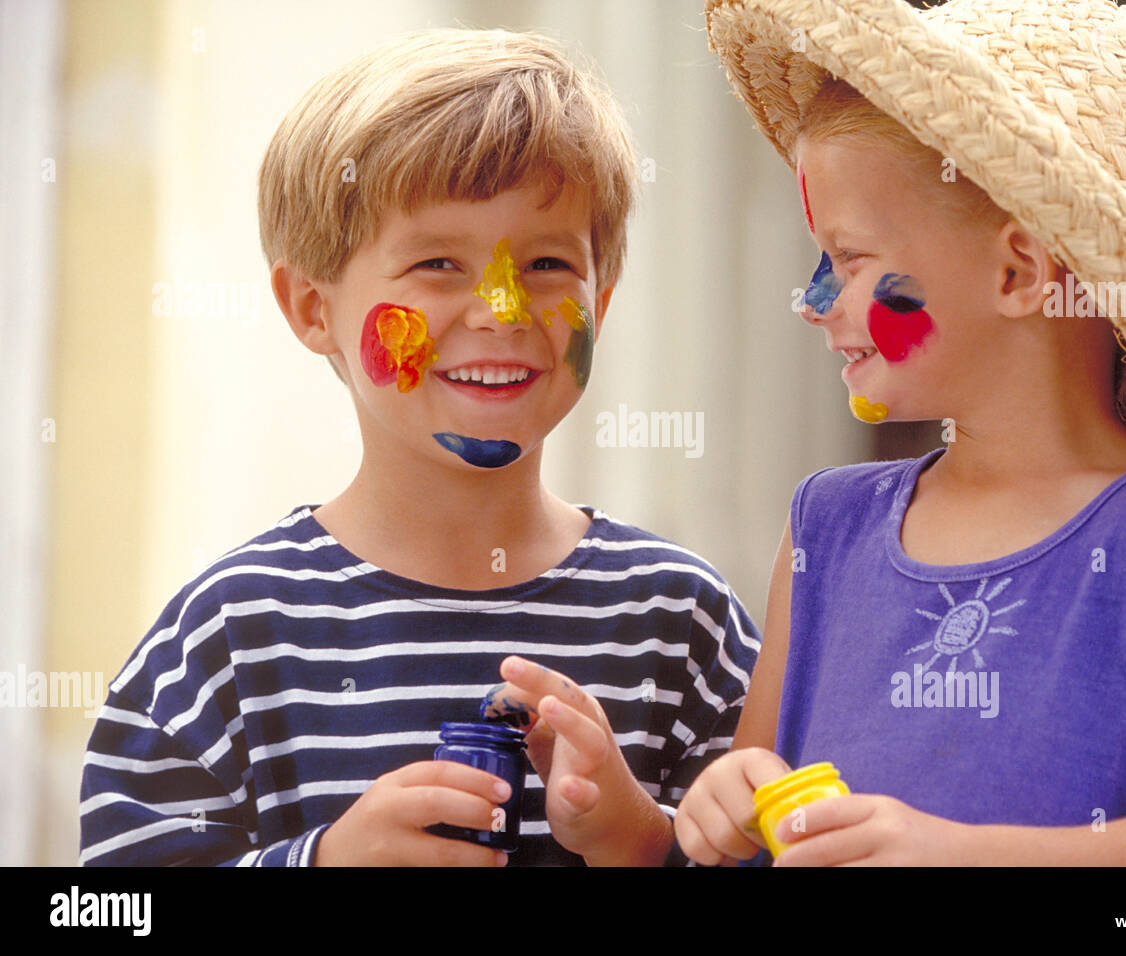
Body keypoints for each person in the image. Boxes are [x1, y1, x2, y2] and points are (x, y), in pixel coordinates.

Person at [80, 27, 759, 867]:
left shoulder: (681, 621)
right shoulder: (224, 637)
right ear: (310, 307)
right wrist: (322, 862)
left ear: (601, 301)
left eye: (548, 264)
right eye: (439, 262)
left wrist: (644, 840)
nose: (504, 309)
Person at [675, 0, 1126, 865]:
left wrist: (959, 854)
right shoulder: (825, 527)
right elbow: (753, 788)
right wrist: (722, 801)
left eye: (848, 263)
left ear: (1018, 271)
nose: (814, 305)